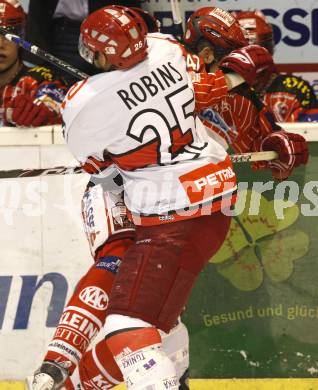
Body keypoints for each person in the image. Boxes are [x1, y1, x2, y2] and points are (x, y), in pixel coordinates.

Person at [49, 5, 277, 390]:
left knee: (125, 323)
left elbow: (103, 174)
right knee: (162, 321)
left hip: (164, 213)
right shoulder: (168, 49)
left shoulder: (80, 102)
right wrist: (236, 74)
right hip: (216, 198)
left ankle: (93, 375)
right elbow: (206, 89)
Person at [31, 8, 189, 390]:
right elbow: (99, 167)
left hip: (168, 193)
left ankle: (63, 382)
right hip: (116, 189)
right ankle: (56, 363)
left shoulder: (159, 65)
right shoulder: (161, 59)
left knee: (166, 330)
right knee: (119, 259)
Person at [183, 6, 308, 181]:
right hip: (151, 196)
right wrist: (230, 78)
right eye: (229, 61)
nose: (236, 71)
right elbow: (191, 91)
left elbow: (263, 157)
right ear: (207, 54)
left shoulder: (241, 100)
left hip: (208, 193)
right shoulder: (167, 73)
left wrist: (275, 147)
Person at [24, 0, 142, 83]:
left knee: (115, 87)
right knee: (66, 94)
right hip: (61, 32)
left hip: (113, 30)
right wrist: (33, 60)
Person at [234, 10, 318, 122]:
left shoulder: (294, 90)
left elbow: (311, 134)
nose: (250, 60)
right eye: (242, 53)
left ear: (268, 50)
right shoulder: (223, 91)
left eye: (256, 52)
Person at [0, 0, 67, 127]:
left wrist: (45, 109)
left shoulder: (40, 81)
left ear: (22, 37)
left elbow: (53, 98)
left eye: (10, 33)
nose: (0, 44)